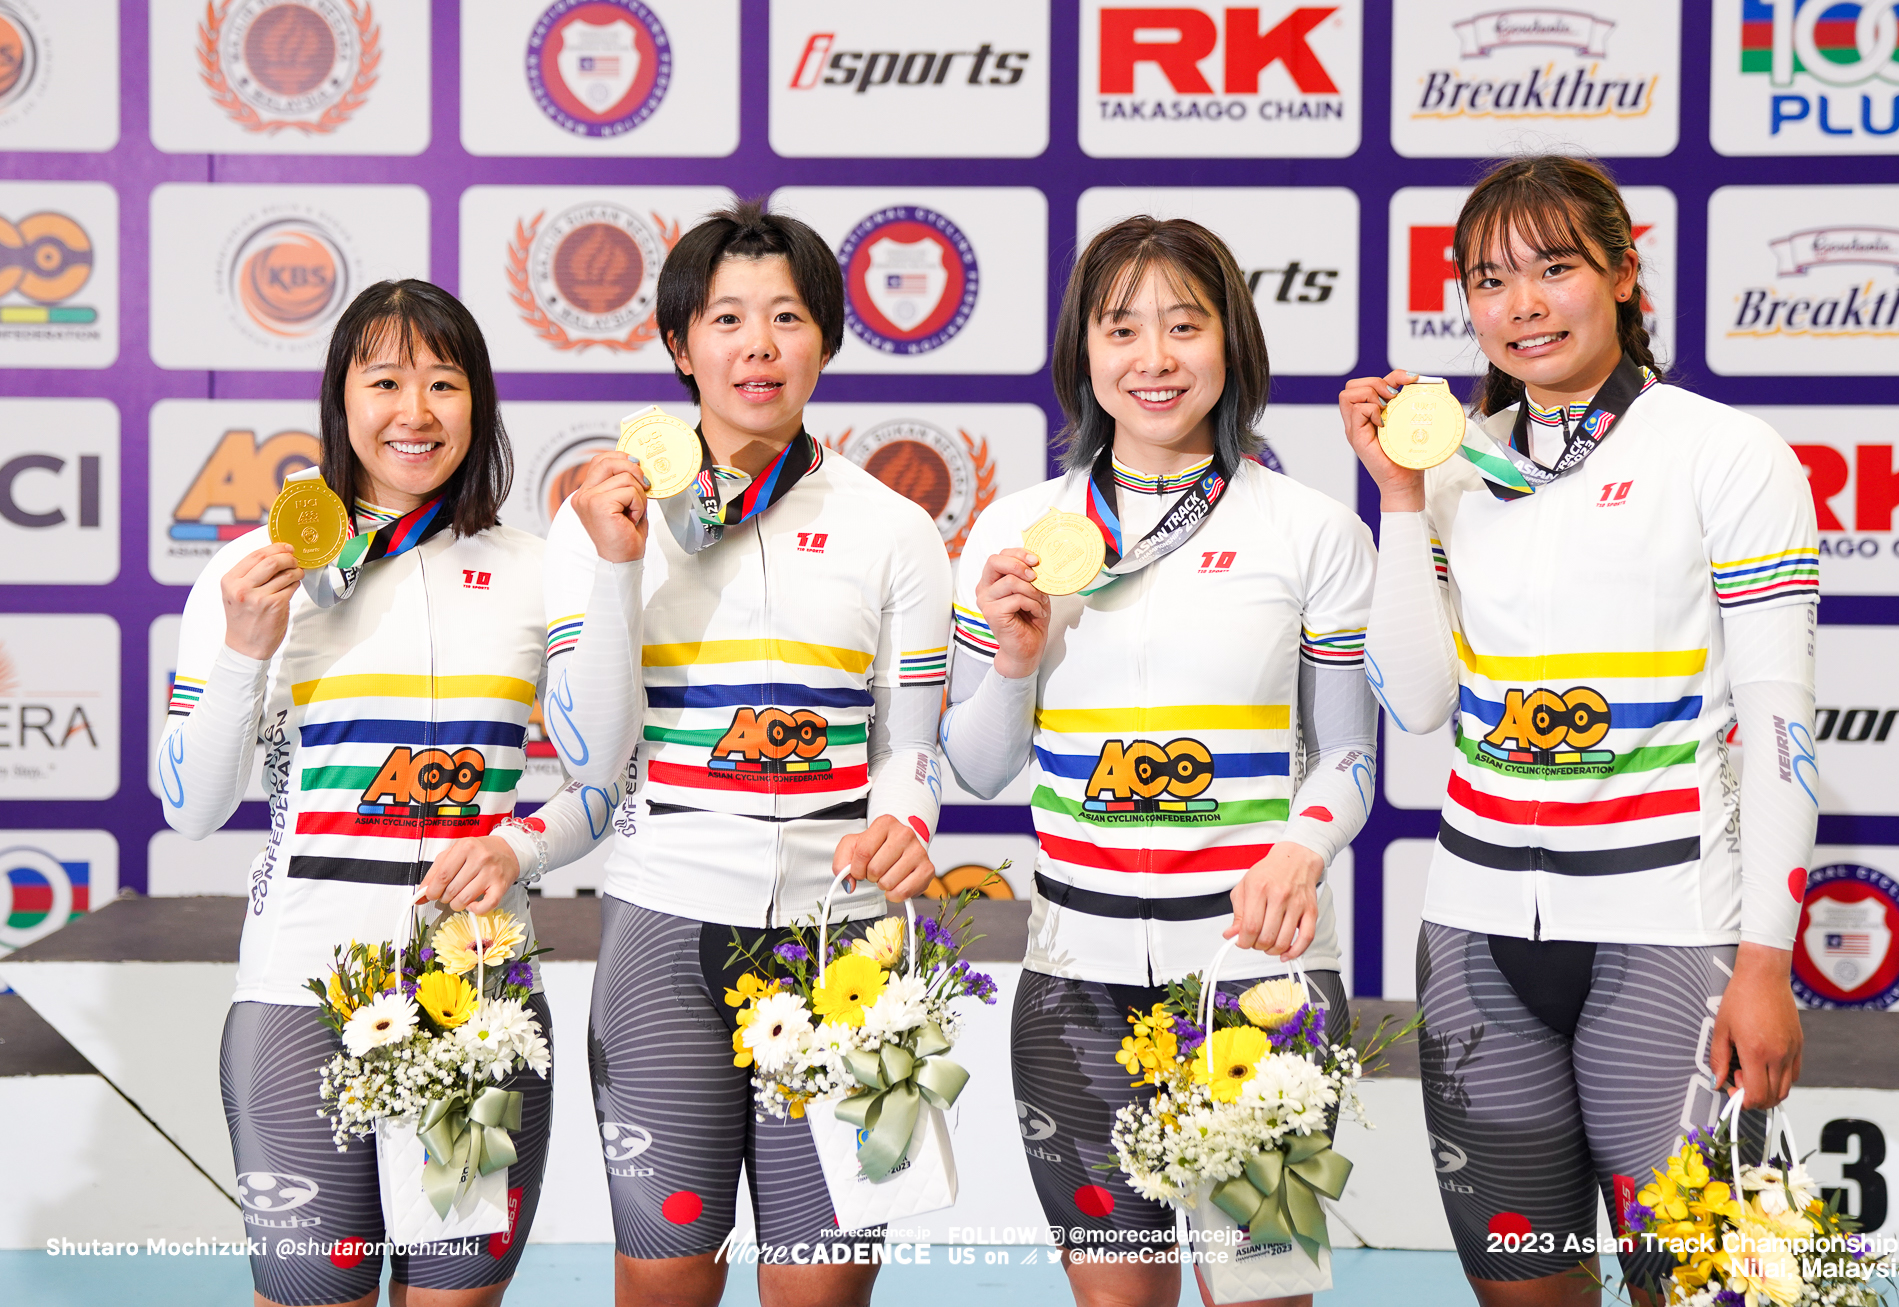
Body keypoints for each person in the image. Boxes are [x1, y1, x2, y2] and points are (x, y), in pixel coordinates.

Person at [1344, 155, 1819, 1306]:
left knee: (1707, 1290)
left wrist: (1765, 959)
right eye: (1489, 279)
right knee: (1521, 1289)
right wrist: (1399, 497)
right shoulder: (1454, 466)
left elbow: (1780, 724)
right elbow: (1414, 699)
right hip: (1473, 939)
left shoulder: (1724, 450)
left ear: (1620, 270)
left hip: (1671, 936)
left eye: (1553, 268)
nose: (1521, 304)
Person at [940, 216, 1379, 1307]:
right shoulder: (1020, 527)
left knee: (1264, 1294)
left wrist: (1301, 846)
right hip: (1072, 981)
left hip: (1257, 982)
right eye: (1122, 327)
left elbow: (1351, 758)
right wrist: (1010, 662)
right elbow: (980, 769)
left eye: (1184, 324)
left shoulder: (1308, 527)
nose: (1154, 357)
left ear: (1229, 341)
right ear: (1082, 352)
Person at [160, 279, 618, 1307]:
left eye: (443, 382)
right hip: (295, 993)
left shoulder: (538, 571)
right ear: (341, 397)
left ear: (480, 404)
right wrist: (243, 653)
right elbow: (189, 805)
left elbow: (600, 783)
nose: (415, 411)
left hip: (478, 997)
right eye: (386, 380)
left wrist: (517, 848)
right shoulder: (252, 570)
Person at [541, 199, 949, 1307]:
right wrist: (617, 565)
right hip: (665, 927)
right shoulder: (602, 515)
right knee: (666, 1273)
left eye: (786, 315)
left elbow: (911, 748)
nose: (757, 345)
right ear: (680, 344)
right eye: (726, 317)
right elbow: (589, 747)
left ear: (826, 337)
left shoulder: (891, 527)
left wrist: (908, 824)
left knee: (820, 1287)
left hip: (841, 940)